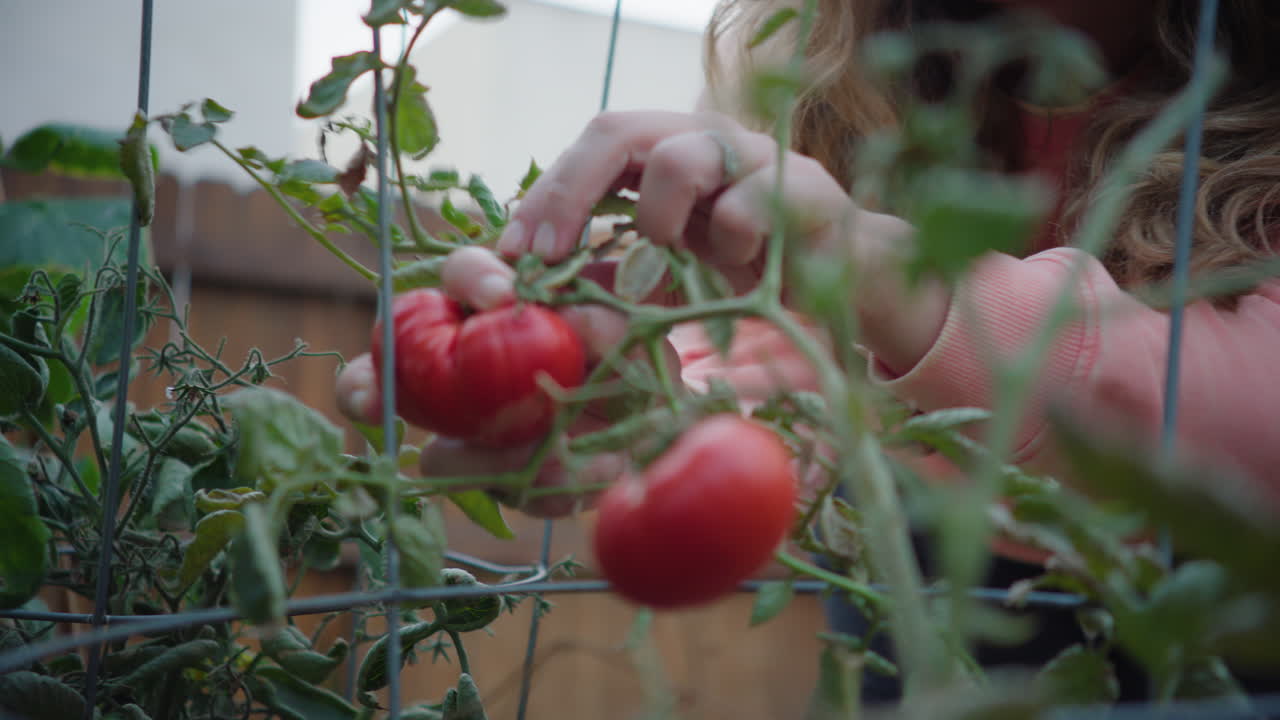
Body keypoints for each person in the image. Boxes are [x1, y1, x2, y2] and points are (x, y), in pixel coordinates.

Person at [336, 0, 1280, 699]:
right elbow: (809, 362)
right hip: (923, 603)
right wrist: (678, 405)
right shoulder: (858, 64)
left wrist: (864, 263)